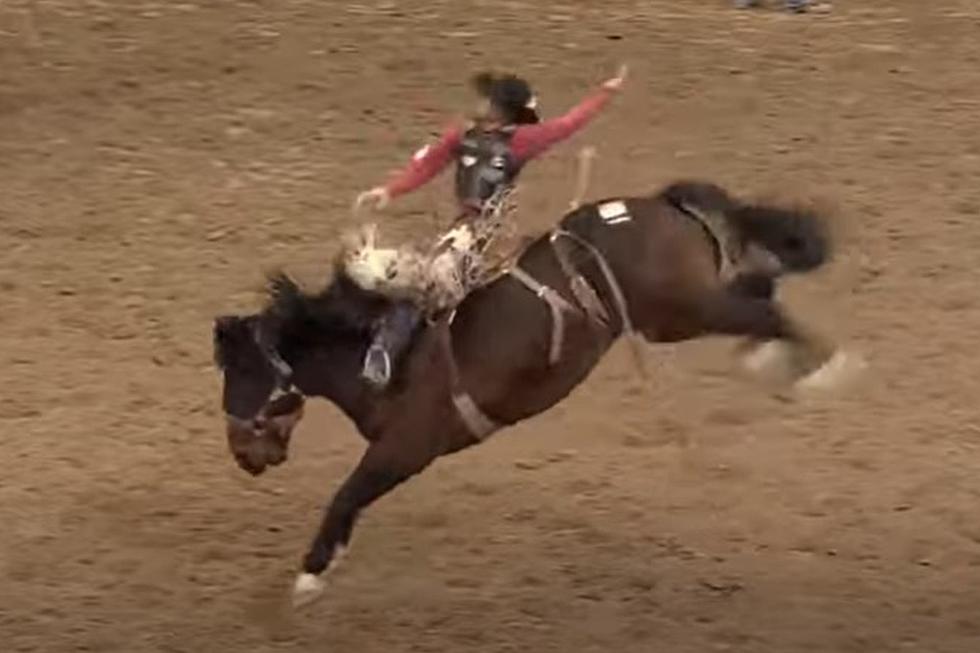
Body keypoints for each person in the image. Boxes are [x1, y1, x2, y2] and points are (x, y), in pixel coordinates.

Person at [354, 64, 628, 388]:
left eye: (488, 98)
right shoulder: (464, 135)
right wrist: (390, 190)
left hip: (486, 235)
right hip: (464, 231)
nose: (479, 101)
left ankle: (385, 351)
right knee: (408, 276)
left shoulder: (521, 140)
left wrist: (604, 94)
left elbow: (568, 124)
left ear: (501, 107)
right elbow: (429, 162)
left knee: (425, 279)